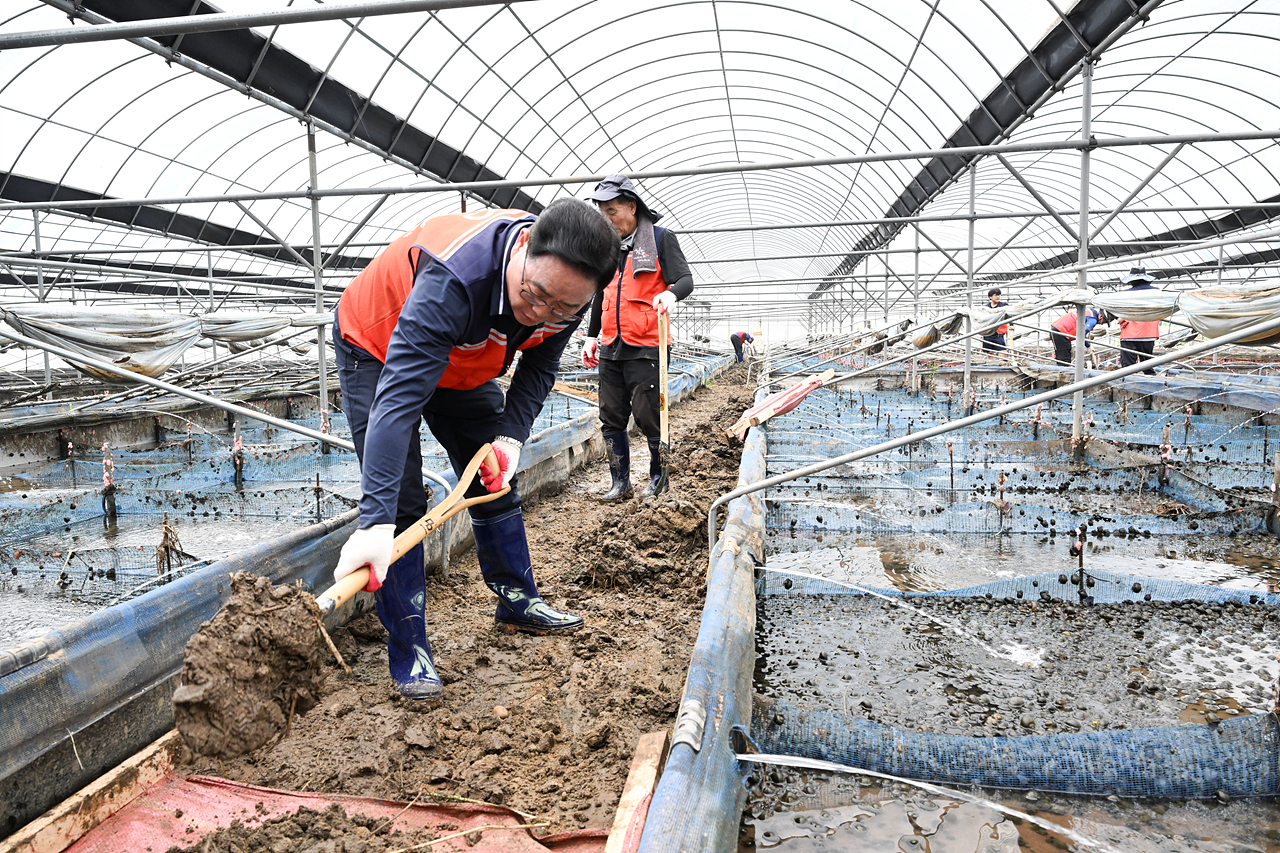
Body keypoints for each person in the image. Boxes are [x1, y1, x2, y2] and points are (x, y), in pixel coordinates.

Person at [330, 199, 618, 701]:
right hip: (378, 345)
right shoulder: (455, 276)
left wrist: (509, 436)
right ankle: (411, 651)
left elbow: (540, 366)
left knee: (491, 477)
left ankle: (516, 598)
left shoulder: (570, 293)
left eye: (564, 309)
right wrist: (375, 520)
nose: (544, 313)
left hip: (467, 355)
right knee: (401, 502)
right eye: (535, 295)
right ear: (524, 246)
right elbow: (397, 400)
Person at [582, 174, 694, 502]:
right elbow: (600, 296)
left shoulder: (660, 240)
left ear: (632, 207)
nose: (607, 219)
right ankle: (620, 484)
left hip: (647, 345)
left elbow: (685, 280)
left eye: (612, 212)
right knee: (611, 417)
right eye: (602, 213)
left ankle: (659, 478)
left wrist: (671, 295)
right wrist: (591, 337)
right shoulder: (606, 250)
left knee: (650, 416)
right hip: (611, 346)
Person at [1116, 267, 1160, 373]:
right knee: (1147, 365)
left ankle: (1127, 386)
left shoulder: (1125, 294)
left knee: (1128, 367)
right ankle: (1150, 383)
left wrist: (1120, 320)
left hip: (1130, 334)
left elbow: (1120, 312)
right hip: (1149, 333)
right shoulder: (1157, 292)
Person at [981, 288, 1009, 352]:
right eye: (995, 295)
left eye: (999, 295)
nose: (998, 297)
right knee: (989, 351)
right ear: (990, 297)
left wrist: (1011, 325)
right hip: (988, 333)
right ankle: (990, 362)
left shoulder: (1003, 305)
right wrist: (981, 334)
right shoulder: (986, 307)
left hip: (999, 332)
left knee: (1002, 350)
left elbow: (1009, 316)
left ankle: (1003, 362)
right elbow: (982, 321)